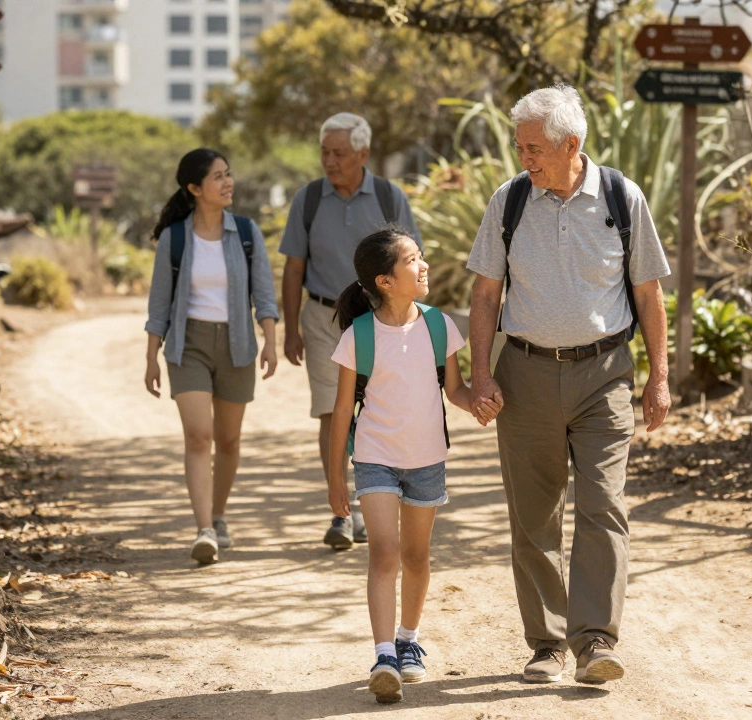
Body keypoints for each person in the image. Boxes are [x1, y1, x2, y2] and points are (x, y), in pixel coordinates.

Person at [465, 86, 673, 684]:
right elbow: (485, 295)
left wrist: (659, 375)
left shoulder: (619, 197)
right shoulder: (508, 201)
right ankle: (547, 644)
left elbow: (647, 293)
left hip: (604, 375)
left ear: (570, 144)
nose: (522, 157)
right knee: (533, 517)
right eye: (519, 146)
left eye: (533, 147)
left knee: (603, 505)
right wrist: (481, 375)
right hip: (524, 373)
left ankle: (596, 641)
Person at [325, 228, 500, 704]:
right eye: (413, 260)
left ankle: (408, 639)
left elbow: (455, 390)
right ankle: (383, 655)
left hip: (427, 459)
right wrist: (335, 477)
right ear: (385, 280)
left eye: (420, 257)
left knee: (416, 557)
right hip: (375, 457)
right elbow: (342, 412)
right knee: (383, 553)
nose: (423, 266)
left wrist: (480, 402)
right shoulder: (358, 336)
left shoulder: (439, 325)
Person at [279, 112, 421, 550]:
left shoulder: (386, 196)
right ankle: (341, 513)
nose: (329, 160)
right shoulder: (308, 200)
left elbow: (411, 259)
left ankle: (370, 502)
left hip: (379, 318)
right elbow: (293, 267)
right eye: (325, 151)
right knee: (332, 411)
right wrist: (290, 329)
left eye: (339, 152)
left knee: (375, 411)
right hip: (322, 318)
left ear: (363, 153)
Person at [144, 148, 280, 565]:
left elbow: (263, 293)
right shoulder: (176, 237)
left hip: (238, 343)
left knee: (230, 440)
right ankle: (204, 529)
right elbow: (160, 304)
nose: (227, 182)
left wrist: (270, 340)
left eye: (228, 174)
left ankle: (219, 515)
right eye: (217, 177)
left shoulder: (244, 231)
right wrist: (151, 357)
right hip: (189, 345)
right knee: (199, 435)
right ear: (194, 188)